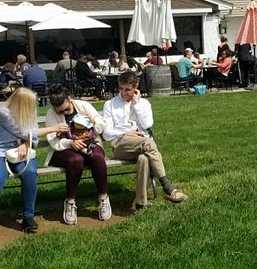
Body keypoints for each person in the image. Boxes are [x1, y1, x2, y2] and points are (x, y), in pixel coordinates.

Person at [0, 87, 68, 241]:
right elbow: (24, 132)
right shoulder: (4, 113)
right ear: (22, 103)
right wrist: (52, 128)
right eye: (31, 103)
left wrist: (26, 144)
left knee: (30, 173)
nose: (34, 106)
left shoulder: (30, 112)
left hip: (22, 153)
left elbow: (32, 137)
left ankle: (28, 217)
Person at [101, 71, 188, 210]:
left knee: (144, 159)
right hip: (121, 146)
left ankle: (140, 203)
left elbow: (147, 124)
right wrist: (126, 133)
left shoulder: (144, 103)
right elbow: (106, 133)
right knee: (148, 143)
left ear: (136, 86)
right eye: (121, 89)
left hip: (142, 144)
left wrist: (136, 105)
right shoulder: (110, 105)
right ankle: (166, 186)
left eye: (128, 89)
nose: (123, 92)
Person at [46, 84, 111, 224]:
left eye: (66, 109)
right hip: (63, 150)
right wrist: (69, 143)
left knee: (98, 156)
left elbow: (101, 124)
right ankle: (70, 201)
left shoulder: (83, 106)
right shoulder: (51, 114)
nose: (64, 112)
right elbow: (52, 140)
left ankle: (103, 197)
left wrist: (92, 121)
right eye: (60, 111)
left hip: (89, 143)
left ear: (69, 99)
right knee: (76, 160)